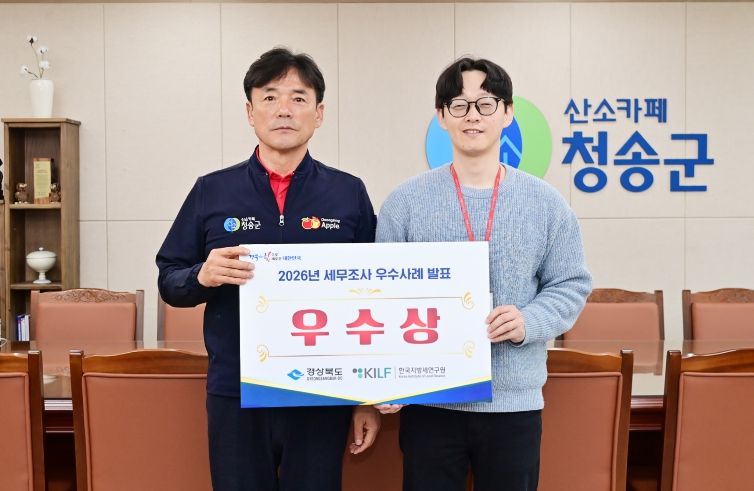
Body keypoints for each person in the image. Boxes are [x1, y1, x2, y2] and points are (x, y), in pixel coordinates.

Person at [157, 47, 380, 491]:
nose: (284, 110)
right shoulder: (211, 191)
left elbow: (376, 295)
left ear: (319, 113)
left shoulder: (348, 193)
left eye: (298, 98)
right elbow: (169, 279)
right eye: (270, 97)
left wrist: (366, 398)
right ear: (250, 111)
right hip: (236, 389)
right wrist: (201, 276)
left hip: (321, 391)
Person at [375, 57, 592, 491]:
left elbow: (571, 283)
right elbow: (383, 296)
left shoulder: (547, 204)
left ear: (508, 113)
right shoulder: (405, 202)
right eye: (459, 104)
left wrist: (529, 320)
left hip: (514, 404)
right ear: (441, 117)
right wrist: (390, 378)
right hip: (431, 403)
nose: (472, 115)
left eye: (485, 103)